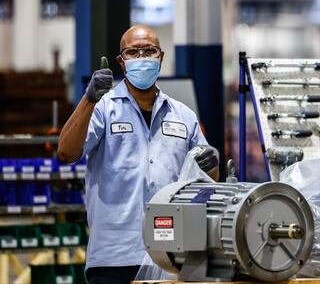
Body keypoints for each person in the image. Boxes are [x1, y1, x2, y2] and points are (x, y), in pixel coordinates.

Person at [57, 24, 219, 284]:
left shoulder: (184, 116)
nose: (142, 58)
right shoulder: (103, 109)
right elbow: (66, 152)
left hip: (171, 254)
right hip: (115, 256)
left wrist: (212, 163)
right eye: (133, 52)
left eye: (149, 51)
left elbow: (208, 183)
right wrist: (89, 99)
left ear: (161, 57)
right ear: (121, 62)